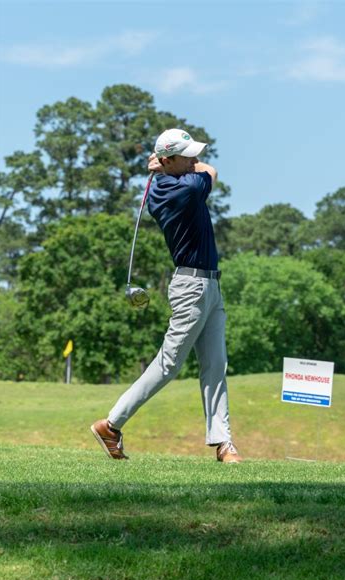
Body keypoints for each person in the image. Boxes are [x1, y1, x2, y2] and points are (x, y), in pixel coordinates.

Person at [91, 128, 241, 464]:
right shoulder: (181, 189)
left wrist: (165, 164)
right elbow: (211, 172)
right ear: (168, 159)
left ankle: (223, 443)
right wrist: (172, 166)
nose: (193, 160)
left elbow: (195, 167)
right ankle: (111, 424)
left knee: (216, 364)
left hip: (211, 285)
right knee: (169, 363)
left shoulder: (172, 180)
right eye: (186, 156)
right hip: (191, 286)